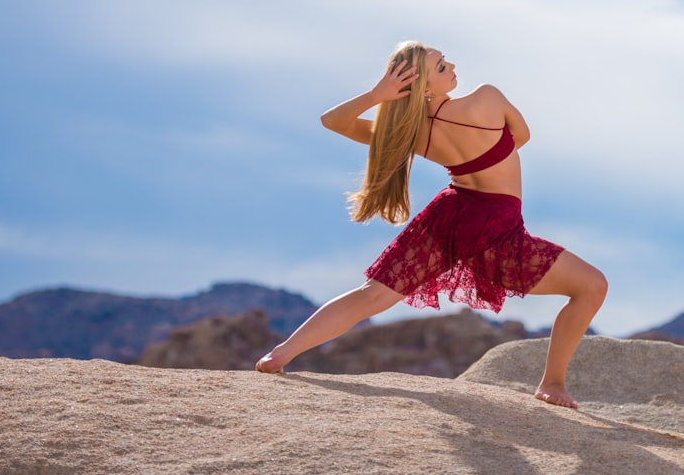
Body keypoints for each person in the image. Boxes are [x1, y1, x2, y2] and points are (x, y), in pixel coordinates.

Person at [255, 41, 607, 409]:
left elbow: (333, 121)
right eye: (440, 67)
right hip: (496, 230)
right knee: (592, 286)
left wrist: (377, 95)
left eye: (444, 60)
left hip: (450, 217)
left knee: (372, 295)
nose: (451, 66)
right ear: (422, 86)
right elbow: (522, 137)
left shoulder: (410, 131)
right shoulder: (487, 97)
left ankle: (280, 354)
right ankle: (552, 382)